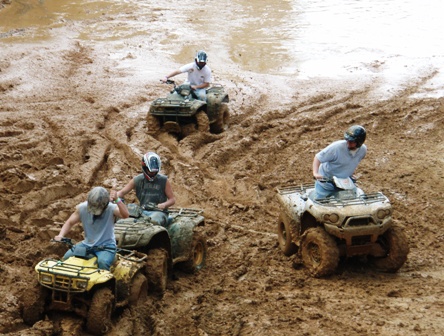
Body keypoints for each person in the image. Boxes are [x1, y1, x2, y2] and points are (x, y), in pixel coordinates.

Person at [54, 186, 129, 270]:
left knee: (103, 263)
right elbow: (70, 222)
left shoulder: (111, 208)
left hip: (106, 247)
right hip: (87, 244)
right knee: (66, 258)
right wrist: (61, 235)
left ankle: (105, 283)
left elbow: (125, 215)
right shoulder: (82, 208)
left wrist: (117, 200)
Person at [117, 151, 176, 227]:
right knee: (123, 218)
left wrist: (164, 204)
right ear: (144, 168)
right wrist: (114, 197)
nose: (152, 173)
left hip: (159, 212)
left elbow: (172, 200)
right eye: (150, 171)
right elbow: (122, 192)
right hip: (142, 211)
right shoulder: (138, 179)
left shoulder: (164, 180)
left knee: (153, 222)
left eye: (154, 172)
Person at [312, 125, 367, 199]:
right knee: (321, 202)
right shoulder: (336, 148)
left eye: (351, 141)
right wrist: (316, 173)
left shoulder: (363, 150)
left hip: (344, 184)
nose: (348, 142)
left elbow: (351, 162)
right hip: (327, 183)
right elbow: (318, 157)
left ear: (359, 142)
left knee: (353, 202)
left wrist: (350, 174)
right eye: (347, 140)